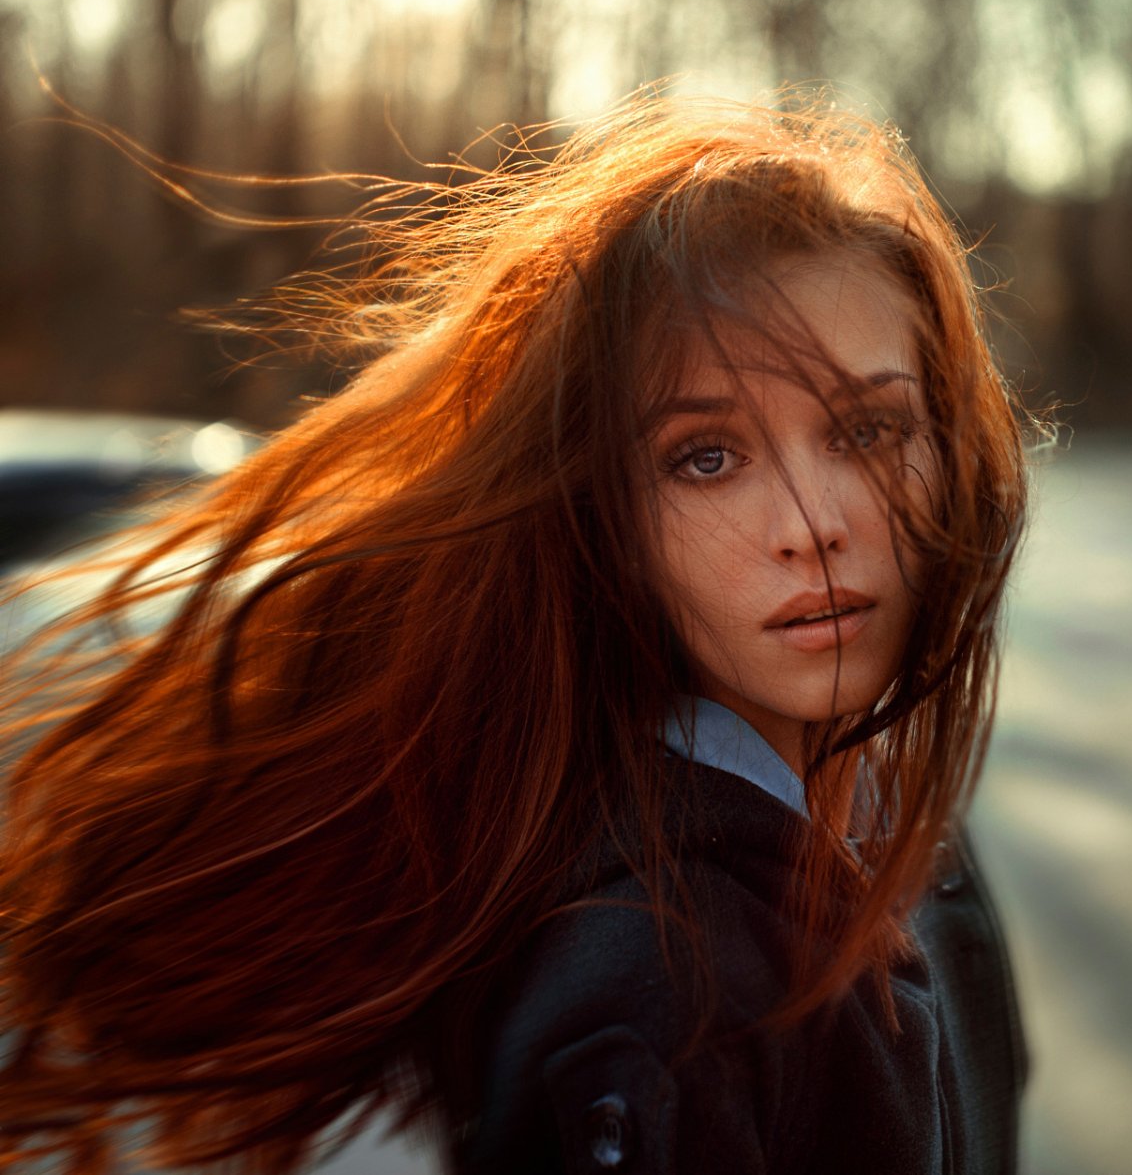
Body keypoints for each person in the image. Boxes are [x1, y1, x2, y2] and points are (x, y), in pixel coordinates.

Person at [0, 93, 1032, 1174]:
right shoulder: (658, 1005)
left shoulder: (922, 851)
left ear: (949, 442)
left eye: (867, 430)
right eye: (707, 457)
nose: (814, 524)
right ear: (608, 520)